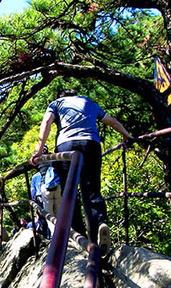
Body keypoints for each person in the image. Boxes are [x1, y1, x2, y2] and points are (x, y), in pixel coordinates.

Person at [30, 90, 132, 250]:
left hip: (66, 148)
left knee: (69, 193)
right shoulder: (89, 102)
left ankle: (80, 237)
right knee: (92, 190)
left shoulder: (56, 103)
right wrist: (126, 136)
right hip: (91, 144)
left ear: (61, 96)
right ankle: (100, 224)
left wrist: (39, 150)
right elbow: (112, 121)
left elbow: (47, 122)